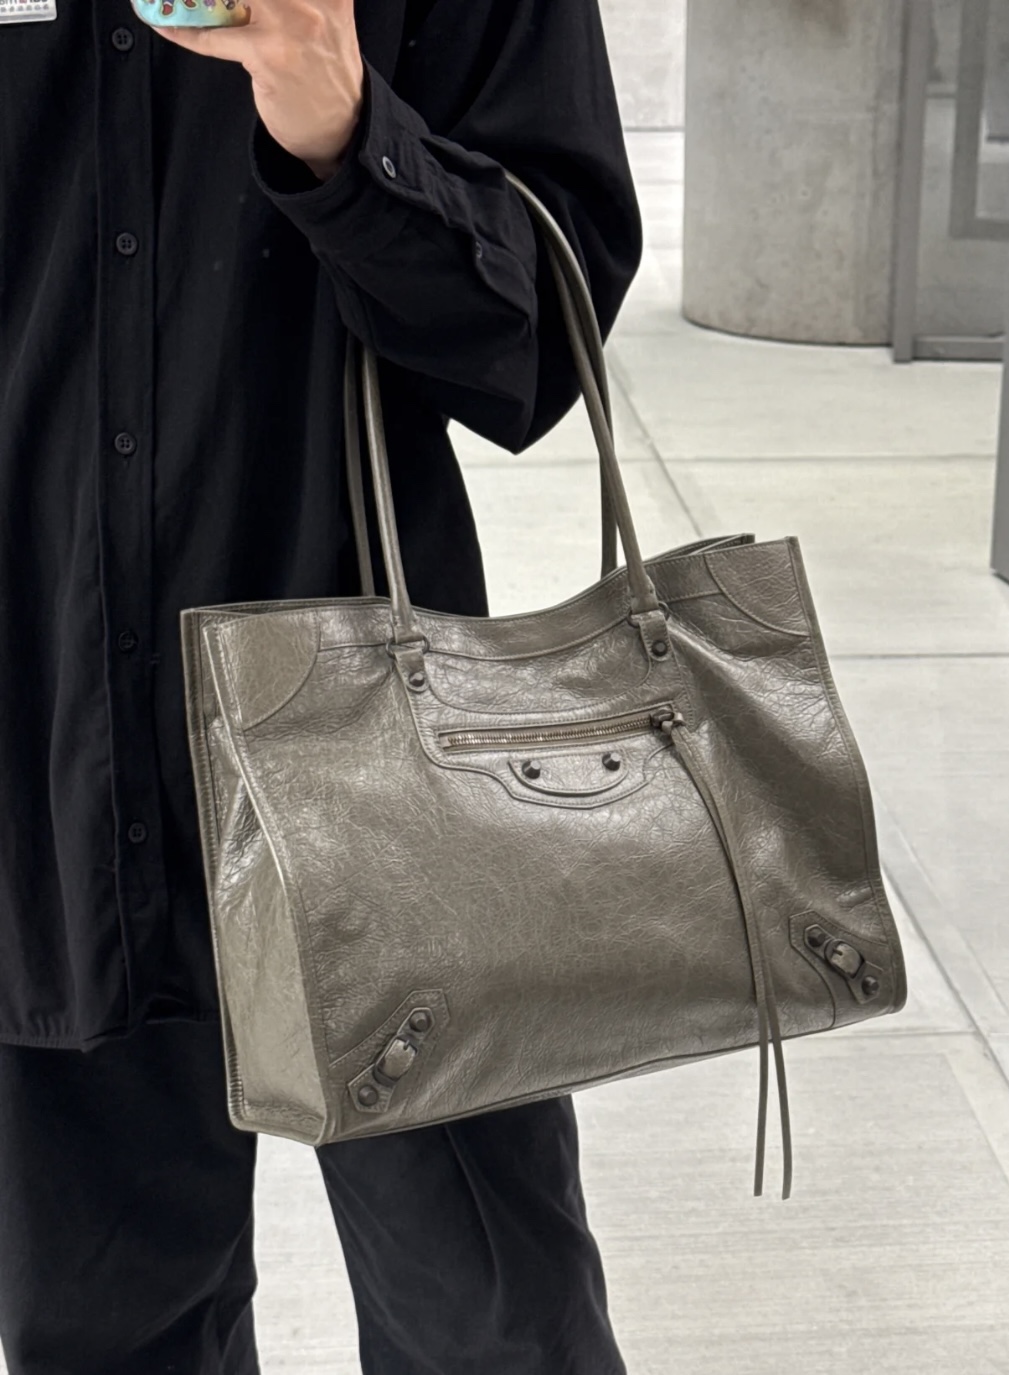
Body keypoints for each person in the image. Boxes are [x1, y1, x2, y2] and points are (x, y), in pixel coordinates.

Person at [0, 0, 641, 1369]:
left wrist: (347, 134)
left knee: (492, 1321)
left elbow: (542, 336)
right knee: (103, 1329)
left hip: (375, 726)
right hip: (40, 731)